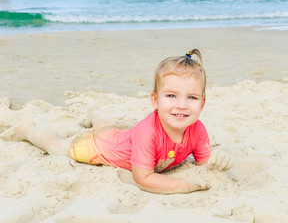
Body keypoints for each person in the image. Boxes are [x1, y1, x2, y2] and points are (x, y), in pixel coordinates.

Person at [1, 49, 232, 194]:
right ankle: (29, 129)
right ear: (155, 100)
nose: (182, 105)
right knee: (59, 148)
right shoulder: (147, 132)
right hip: (99, 147)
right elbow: (143, 178)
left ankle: (94, 113)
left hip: (118, 136)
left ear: (202, 103)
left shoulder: (198, 129)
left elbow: (204, 163)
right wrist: (185, 185)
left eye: (191, 98)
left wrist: (217, 162)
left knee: (108, 129)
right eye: (171, 96)